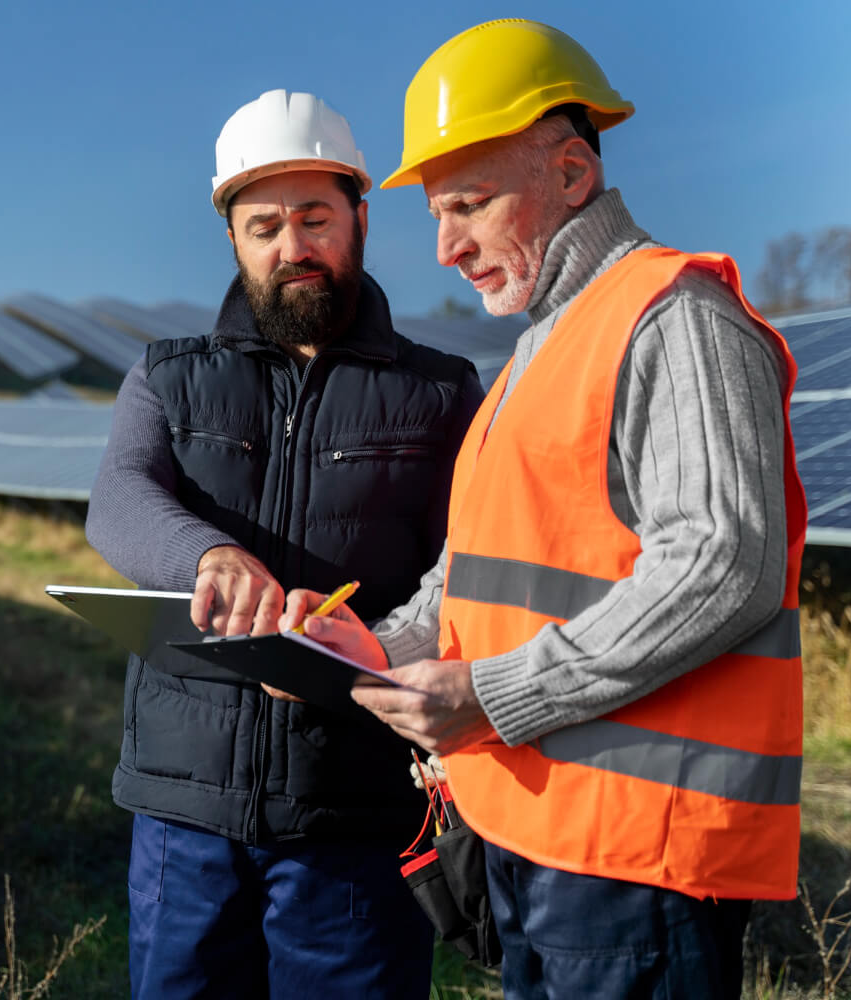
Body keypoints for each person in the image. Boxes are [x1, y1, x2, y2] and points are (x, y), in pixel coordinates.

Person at [281, 20, 807, 999]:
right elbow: (474, 574)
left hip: (636, 856)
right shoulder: (534, 357)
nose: (444, 247)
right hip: (535, 830)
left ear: (571, 173)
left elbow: (724, 566)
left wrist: (488, 695)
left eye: (468, 205)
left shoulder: (675, 318)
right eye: (438, 214)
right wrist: (357, 650)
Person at [85, 88, 485, 998]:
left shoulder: (441, 393)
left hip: (355, 813)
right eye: (264, 225)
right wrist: (205, 557)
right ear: (232, 236)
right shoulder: (169, 377)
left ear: (359, 219)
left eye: (315, 218)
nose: (292, 248)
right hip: (184, 811)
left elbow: (466, 565)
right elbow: (117, 499)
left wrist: (372, 647)